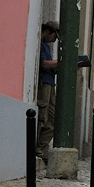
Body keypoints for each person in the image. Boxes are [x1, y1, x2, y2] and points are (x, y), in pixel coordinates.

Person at [36, 20, 59, 161]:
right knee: (42, 117)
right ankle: (37, 150)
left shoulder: (47, 47)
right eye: (54, 37)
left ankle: (42, 148)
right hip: (44, 84)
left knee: (52, 120)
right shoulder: (40, 45)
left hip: (51, 83)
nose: (54, 40)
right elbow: (44, 64)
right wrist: (60, 61)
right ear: (49, 32)